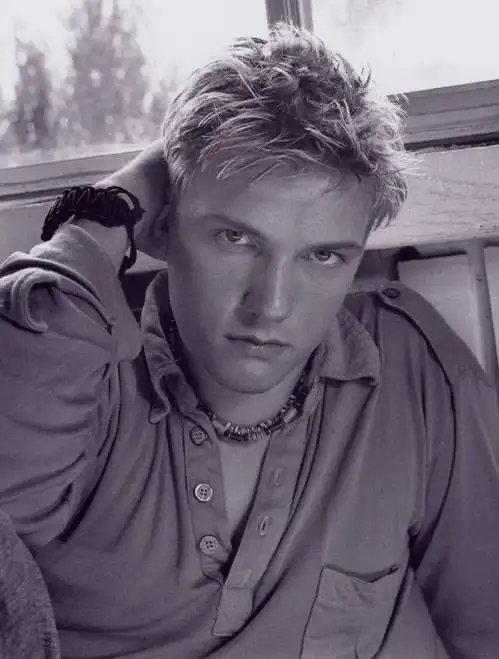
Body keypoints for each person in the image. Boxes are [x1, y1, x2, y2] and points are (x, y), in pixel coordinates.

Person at [0, 21, 498, 659]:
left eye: (323, 255)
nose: (272, 305)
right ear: (159, 227)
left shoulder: (405, 357)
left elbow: (485, 623)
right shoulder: (83, 379)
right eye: (236, 239)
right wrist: (102, 214)